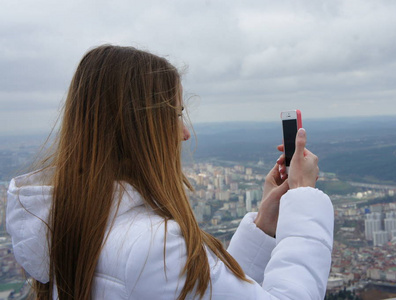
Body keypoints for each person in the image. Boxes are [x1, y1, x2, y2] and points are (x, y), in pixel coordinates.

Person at [6, 45, 334, 299]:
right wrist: (303, 198)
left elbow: (200, 291)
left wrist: (263, 226)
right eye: (176, 114)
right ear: (142, 128)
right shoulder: (153, 248)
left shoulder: (74, 225)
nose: (185, 133)